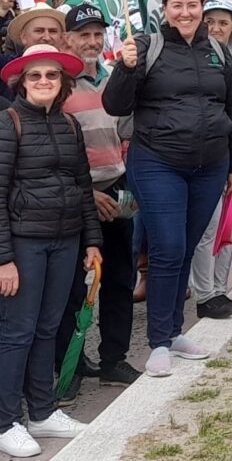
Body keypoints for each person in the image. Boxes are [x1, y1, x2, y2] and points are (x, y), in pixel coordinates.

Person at [103, 0, 232, 376]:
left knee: (184, 246)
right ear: (164, 9)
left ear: (203, 9)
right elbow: (114, 104)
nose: (185, 13)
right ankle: (159, 343)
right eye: (176, 5)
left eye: (192, 5)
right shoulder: (147, 48)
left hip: (210, 165)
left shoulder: (218, 51)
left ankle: (174, 331)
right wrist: (126, 68)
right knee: (166, 246)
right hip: (157, 162)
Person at [0, 44, 101, 456]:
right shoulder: (7, 124)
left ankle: (42, 411)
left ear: (63, 83)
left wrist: (92, 240)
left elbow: (82, 187)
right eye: (35, 76)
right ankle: (7, 420)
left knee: (47, 327)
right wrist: (3, 259)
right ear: (21, 82)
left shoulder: (70, 125)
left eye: (52, 75)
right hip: (23, 244)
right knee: (16, 332)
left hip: (67, 239)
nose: (44, 81)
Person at [54, 6, 140, 406]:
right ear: (67, 39)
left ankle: (114, 361)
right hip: (78, 196)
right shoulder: (58, 84)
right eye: (83, 34)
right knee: (71, 288)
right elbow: (54, 151)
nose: (91, 42)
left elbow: (124, 133)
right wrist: (87, 192)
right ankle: (68, 368)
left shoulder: (112, 80)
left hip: (117, 190)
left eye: (97, 34)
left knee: (120, 279)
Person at [188, 0, 232, 319]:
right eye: (209, 21)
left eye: (223, 23)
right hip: (211, 152)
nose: (215, 28)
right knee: (208, 226)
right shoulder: (196, 59)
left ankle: (219, 289)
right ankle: (204, 293)